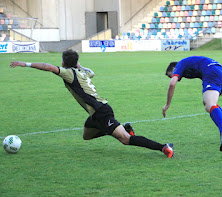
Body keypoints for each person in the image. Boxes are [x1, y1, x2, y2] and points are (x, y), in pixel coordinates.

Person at [10, 49, 174, 158]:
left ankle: (163, 147)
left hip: (101, 111)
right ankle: (124, 128)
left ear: (65, 63)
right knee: (87, 136)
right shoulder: (82, 72)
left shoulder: (68, 73)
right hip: (95, 113)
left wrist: (26, 64)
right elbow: (92, 72)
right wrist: (78, 64)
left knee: (125, 140)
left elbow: (49, 67)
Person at [163, 56, 222, 152]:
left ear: (174, 69)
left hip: (212, 72)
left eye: (171, 75)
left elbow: (172, 83)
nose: (174, 77)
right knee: (209, 103)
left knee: (210, 104)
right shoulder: (187, 66)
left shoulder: (179, 65)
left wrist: (167, 104)